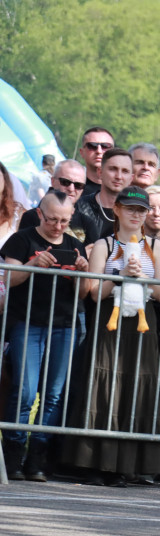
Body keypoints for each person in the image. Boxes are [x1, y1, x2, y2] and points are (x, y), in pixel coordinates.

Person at [64, 187, 160, 486]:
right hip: (109, 324)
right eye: (131, 209)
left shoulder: (156, 247)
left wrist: (142, 277)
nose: (137, 215)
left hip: (142, 325)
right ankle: (96, 463)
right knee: (104, 386)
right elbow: (95, 293)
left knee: (138, 385)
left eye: (142, 210)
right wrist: (120, 274)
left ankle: (130, 464)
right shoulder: (104, 245)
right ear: (117, 210)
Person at [1, 191, 90, 481]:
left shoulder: (76, 246)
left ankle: (36, 455)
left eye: (65, 220)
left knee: (53, 394)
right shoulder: (22, 239)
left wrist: (83, 273)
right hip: (27, 322)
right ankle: (13, 452)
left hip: (64, 325)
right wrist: (32, 265)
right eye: (53, 219)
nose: (58, 226)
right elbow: (8, 278)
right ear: (40, 214)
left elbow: (84, 293)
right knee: (25, 392)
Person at [71, 147, 133, 244]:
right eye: (113, 169)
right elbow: (72, 248)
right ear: (100, 172)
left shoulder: (137, 212)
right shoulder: (79, 208)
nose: (119, 176)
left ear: (131, 178)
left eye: (125, 171)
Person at [77, 126, 115, 195]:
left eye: (105, 146)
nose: (99, 151)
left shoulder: (125, 192)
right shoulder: (72, 189)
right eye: (92, 146)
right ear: (82, 152)